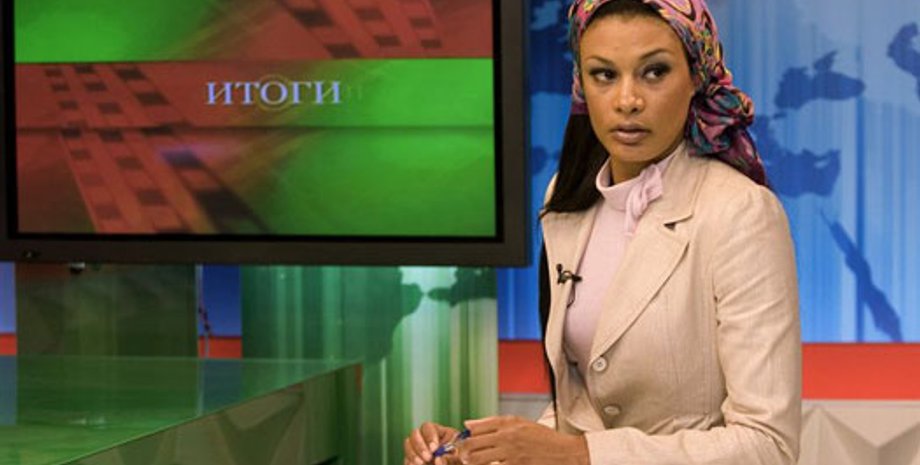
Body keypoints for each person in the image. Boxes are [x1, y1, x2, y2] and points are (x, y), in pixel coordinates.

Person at [404, 0, 801, 463]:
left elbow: (768, 445)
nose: (627, 100)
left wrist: (578, 454)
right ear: (581, 83)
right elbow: (583, 416)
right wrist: (481, 451)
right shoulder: (567, 199)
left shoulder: (742, 213)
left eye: (654, 72)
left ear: (697, 75)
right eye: (604, 74)